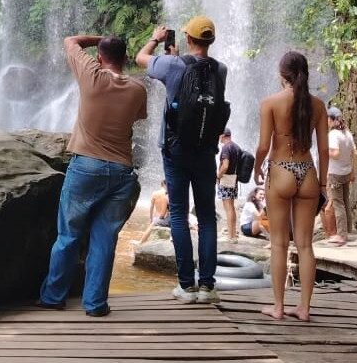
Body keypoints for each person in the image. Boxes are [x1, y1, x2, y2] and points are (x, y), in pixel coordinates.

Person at [37, 35, 147, 317]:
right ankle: (96, 304)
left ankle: (53, 297)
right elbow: (136, 117)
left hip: (85, 167)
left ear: (99, 57)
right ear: (125, 59)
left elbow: (70, 41)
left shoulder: (91, 76)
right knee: (105, 240)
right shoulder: (138, 89)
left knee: (68, 235)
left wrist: (100, 39)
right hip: (121, 172)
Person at [136, 16, 227, 304]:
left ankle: (186, 286)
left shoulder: (173, 65)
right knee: (207, 217)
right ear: (212, 41)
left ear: (188, 38)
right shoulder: (221, 70)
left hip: (175, 149)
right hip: (206, 151)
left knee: (178, 213)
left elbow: (140, 58)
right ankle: (208, 287)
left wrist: (156, 38)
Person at [253, 51, 328, 321]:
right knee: (305, 245)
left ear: (282, 74)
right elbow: (323, 150)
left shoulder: (270, 103)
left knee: (279, 243)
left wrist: (256, 167)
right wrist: (323, 184)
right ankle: (304, 308)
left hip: (281, 170)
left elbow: (264, 145)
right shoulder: (318, 105)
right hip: (307, 172)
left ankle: (278, 307)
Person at [325, 106, 357, 246]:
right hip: (346, 172)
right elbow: (355, 153)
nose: (326, 121)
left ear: (332, 120)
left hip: (336, 174)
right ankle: (347, 231)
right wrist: (354, 172)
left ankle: (342, 235)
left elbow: (336, 153)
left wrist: (324, 150)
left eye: (327, 119)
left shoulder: (333, 135)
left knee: (338, 204)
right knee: (345, 202)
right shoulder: (347, 133)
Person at [217, 128, 242, 241]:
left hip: (226, 179)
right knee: (231, 207)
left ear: (223, 135)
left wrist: (218, 176)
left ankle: (231, 237)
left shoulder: (226, 147)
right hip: (234, 179)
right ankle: (233, 235)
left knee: (228, 208)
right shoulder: (237, 147)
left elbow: (225, 165)